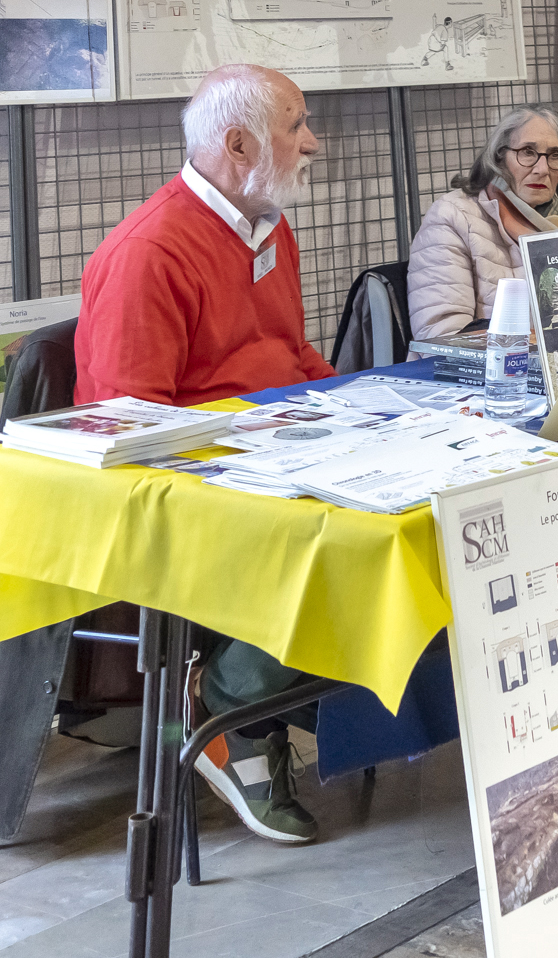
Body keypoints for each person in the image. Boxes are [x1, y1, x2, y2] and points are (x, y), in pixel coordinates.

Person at [75, 64, 334, 845]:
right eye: (296, 127)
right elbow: (128, 425)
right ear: (238, 142)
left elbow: (288, 353)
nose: (312, 144)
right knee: (333, 534)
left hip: (278, 446)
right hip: (198, 482)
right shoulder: (151, 252)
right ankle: (229, 709)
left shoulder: (268, 226)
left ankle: (276, 700)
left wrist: (361, 404)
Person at [408, 107, 558, 339]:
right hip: (482, 371)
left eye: (555, 155)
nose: (542, 169)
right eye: (527, 152)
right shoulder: (453, 217)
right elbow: (442, 335)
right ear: (499, 157)